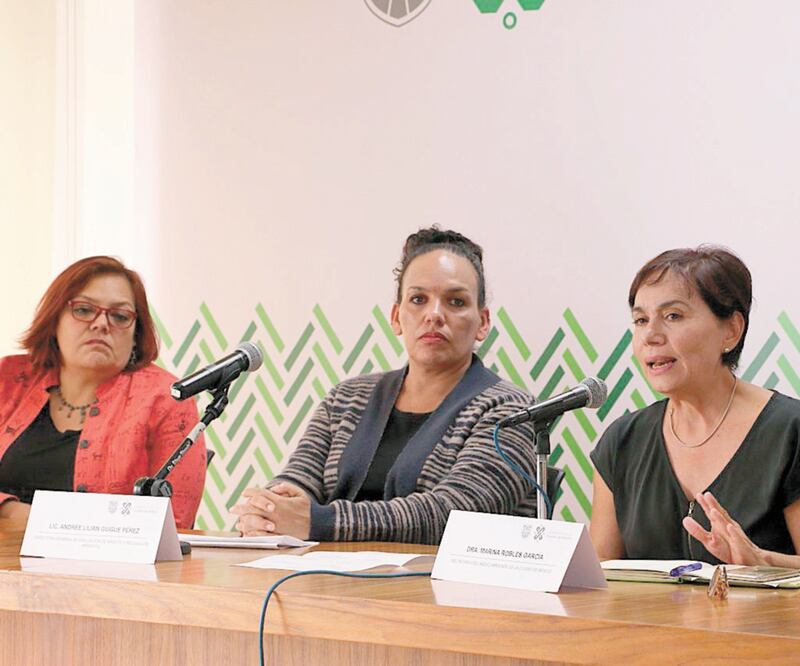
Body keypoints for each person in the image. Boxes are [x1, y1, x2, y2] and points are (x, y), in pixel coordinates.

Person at [232, 227, 537, 544]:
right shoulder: (346, 398)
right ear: (396, 316)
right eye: (418, 299)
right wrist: (269, 508)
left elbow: (454, 514)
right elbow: (300, 479)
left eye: (455, 301)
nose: (433, 314)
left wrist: (317, 521)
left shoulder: (513, 410)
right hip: (328, 584)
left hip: (443, 590)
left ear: (482, 322)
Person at [590, 246, 800, 566]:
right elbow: (599, 576)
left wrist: (762, 562)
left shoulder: (790, 431)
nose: (650, 335)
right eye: (641, 319)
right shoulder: (622, 441)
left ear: (731, 330)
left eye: (673, 316)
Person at [0, 256, 206, 529]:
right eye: (84, 310)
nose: (101, 324)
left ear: (136, 333)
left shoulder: (166, 399)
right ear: (54, 320)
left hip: (101, 570)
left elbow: (174, 523)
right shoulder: (9, 378)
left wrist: (23, 519)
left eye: (120, 316)